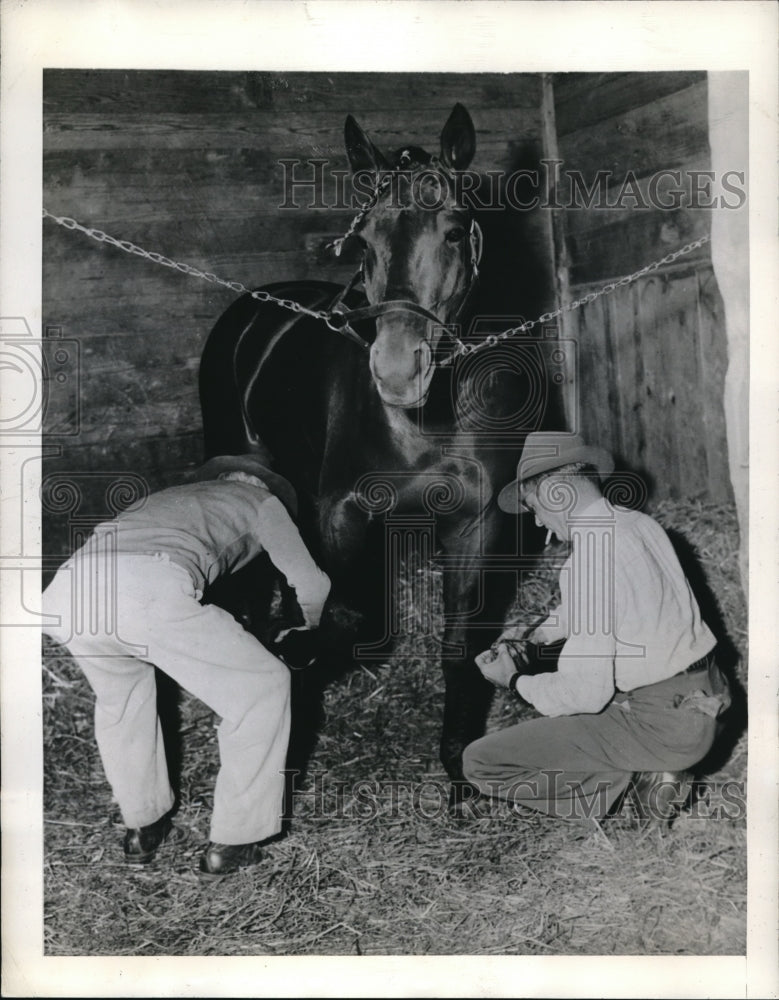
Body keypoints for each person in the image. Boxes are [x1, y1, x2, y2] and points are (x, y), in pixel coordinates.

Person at [42, 450, 331, 878]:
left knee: (122, 701)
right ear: (259, 484)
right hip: (147, 584)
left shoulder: (165, 497)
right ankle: (235, 841)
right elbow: (312, 582)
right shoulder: (263, 502)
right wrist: (306, 627)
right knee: (264, 685)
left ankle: (143, 825)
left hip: (68, 590)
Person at [464, 431, 731, 825]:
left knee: (480, 761)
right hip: (710, 700)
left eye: (535, 506)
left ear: (558, 492)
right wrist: (534, 636)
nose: (540, 523)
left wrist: (514, 680)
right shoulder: (638, 525)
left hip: (663, 726)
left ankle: (636, 783)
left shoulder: (587, 560)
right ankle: (648, 770)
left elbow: (585, 694)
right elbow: (605, 605)